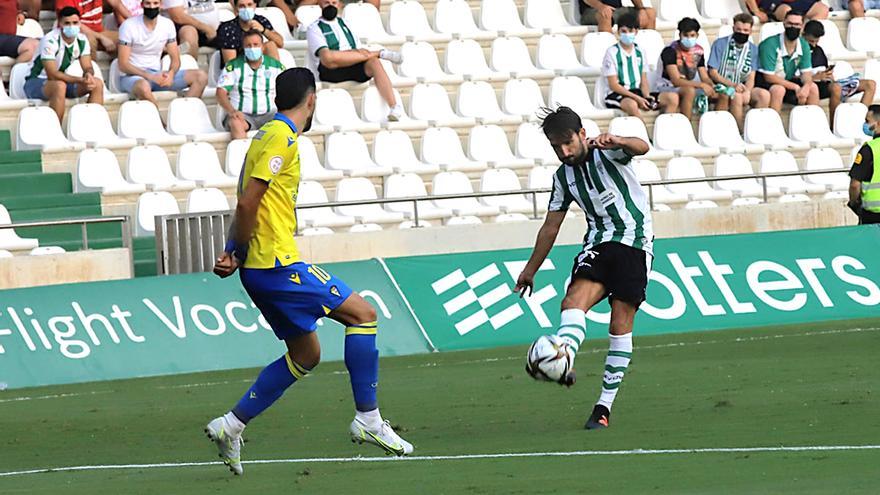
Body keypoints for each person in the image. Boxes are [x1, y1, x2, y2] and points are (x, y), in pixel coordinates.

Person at [207, 67, 413, 476]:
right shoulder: (281, 137)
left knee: (307, 354)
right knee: (363, 315)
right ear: (312, 99)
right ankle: (368, 420)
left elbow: (251, 203)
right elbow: (249, 203)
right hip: (277, 264)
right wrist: (239, 248)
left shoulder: (263, 136)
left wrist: (233, 251)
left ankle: (231, 425)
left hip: (261, 267)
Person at [515, 106, 652, 430]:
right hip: (598, 244)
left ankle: (603, 407)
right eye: (556, 147)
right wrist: (530, 269)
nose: (564, 151)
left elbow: (642, 147)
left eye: (568, 143)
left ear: (582, 135)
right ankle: (563, 360)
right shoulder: (562, 178)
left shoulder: (609, 153)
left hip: (634, 243)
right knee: (572, 302)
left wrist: (618, 139)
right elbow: (551, 227)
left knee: (620, 324)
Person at [306, 0, 403, 121]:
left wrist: (356, 55)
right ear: (320, 4)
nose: (330, 5)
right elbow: (327, 58)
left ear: (340, 4)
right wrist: (356, 55)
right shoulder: (314, 28)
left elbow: (358, 51)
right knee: (332, 57)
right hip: (330, 70)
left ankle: (394, 106)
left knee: (373, 62)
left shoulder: (345, 23)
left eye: (334, 2)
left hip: (351, 64)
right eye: (326, 2)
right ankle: (379, 53)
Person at [118, 0, 207, 106]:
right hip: (132, 76)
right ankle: (161, 121)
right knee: (144, 86)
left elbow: (175, 59)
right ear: (142, 5)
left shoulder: (167, 25)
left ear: (160, 5)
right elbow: (123, 65)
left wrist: (171, 74)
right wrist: (149, 76)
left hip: (157, 74)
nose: (151, 7)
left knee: (201, 77)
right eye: (148, 3)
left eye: (155, 3)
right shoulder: (128, 26)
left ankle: (182, 116)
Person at [24, 6, 103, 121]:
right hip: (35, 82)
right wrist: (79, 80)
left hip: (61, 82)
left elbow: (87, 65)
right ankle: (55, 131)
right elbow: (52, 75)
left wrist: (88, 75)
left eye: (75, 23)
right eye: (67, 23)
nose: (72, 26)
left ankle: (91, 127)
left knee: (97, 84)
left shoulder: (82, 40)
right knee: (59, 86)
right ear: (60, 23)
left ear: (80, 23)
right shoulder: (50, 40)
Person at [803, 20, 875, 125]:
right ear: (803, 35)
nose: (813, 45)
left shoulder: (818, 50)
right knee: (836, 87)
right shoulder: (798, 51)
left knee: (870, 84)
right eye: (810, 41)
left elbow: (824, 67)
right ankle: (835, 125)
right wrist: (815, 77)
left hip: (825, 83)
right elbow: (793, 75)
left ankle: (861, 121)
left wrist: (828, 74)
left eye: (816, 41)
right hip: (812, 85)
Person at [217, 30, 285, 139]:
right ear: (243, 48)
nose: (252, 48)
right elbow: (221, 92)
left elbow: (286, 90)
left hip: (270, 115)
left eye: (256, 45)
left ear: (263, 47)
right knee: (235, 123)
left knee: (287, 121)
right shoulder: (233, 66)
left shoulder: (276, 66)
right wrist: (232, 111)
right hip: (242, 116)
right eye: (248, 45)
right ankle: (242, 155)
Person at [707, 13, 770, 131]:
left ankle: (759, 130)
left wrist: (748, 91)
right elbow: (713, 73)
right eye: (738, 29)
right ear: (733, 29)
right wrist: (733, 85)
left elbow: (751, 76)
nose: (742, 33)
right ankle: (739, 131)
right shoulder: (720, 44)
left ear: (751, 31)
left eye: (746, 30)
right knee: (736, 96)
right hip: (722, 85)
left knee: (764, 95)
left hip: (742, 86)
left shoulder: (753, 49)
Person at [755, 10, 818, 112]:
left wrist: (806, 86)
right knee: (778, 90)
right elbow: (769, 77)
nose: (793, 27)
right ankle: (774, 125)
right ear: (784, 23)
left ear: (802, 26)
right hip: (765, 82)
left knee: (812, 88)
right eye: (790, 23)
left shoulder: (804, 45)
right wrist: (796, 87)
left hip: (786, 81)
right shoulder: (769, 44)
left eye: (797, 24)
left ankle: (812, 124)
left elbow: (806, 74)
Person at [655, 17, 716, 117]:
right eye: (685, 35)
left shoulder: (698, 52)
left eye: (692, 35)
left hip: (687, 85)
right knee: (689, 91)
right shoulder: (670, 51)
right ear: (680, 35)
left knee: (720, 94)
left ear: (697, 35)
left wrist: (711, 85)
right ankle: (687, 124)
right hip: (667, 87)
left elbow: (704, 77)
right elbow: (676, 80)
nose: (689, 38)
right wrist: (701, 85)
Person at [600, 12, 657, 118]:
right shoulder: (612, 52)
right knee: (632, 105)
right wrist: (637, 98)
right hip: (616, 94)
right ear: (618, 32)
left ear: (636, 32)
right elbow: (614, 85)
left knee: (670, 98)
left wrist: (647, 97)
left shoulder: (640, 51)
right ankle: (644, 134)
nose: (627, 34)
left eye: (630, 31)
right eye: (623, 31)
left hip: (637, 92)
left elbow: (643, 81)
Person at [215, 0, 282, 64]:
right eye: (242, 6)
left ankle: (276, 72)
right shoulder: (227, 28)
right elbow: (230, 62)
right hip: (238, 68)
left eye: (249, 5)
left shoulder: (261, 20)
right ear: (236, 8)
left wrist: (264, 30)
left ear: (255, 5)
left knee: (270, 45)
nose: (246, 8)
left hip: (262, 66)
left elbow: (280, 43)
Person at [55, 0, 129, 54]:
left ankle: (129, 72)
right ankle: (89, 72)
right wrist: (101, 37)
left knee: (127, 39)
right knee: (89, 41)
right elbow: (73, 24)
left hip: (99, 32)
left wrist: (135, 22)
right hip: (74, 33)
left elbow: (117, 4)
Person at [848, 105, 880, 224]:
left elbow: (855, 185)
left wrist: (853, 203)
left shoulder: (869, 149)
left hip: (873, 215)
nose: (865, 125)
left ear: (878, 124)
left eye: (867, 121)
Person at [579, 0, 655, 33]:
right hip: (592, 10)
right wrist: (601, 7)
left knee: (650, 13)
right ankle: (609, 52)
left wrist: (641, 9)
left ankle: (645, 52)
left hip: (616, 9)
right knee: (605, 14)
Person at [745, 0, 829, 22]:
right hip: (774, 4)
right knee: (787, 12)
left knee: (822, 9)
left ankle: (807, 38)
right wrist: (756, 11)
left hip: (795, 2)